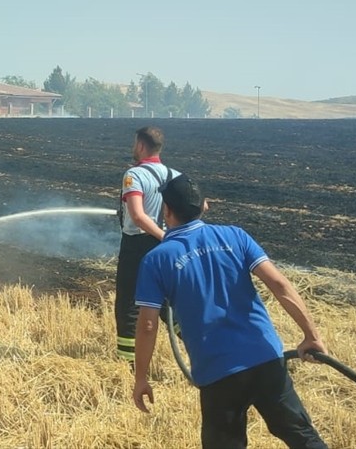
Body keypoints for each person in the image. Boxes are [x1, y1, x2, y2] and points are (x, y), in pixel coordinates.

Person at [131, 174, 329, 449]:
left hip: (218, 372)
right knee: (303, 438)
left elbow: (147, 325)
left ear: (166, 211)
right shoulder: (236, 236)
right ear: (205, 205)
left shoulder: (156, 260)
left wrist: (141, 377)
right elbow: (280, 285)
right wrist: (311, 335)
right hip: (266, 357)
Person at [115, 125, 179, 362]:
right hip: (167, 247)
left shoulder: (134, 176)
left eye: (135, 143)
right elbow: (200, 206)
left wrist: (162, 236)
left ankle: (128, 362)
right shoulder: (175, 176)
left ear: (141, 145)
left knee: (129, 305)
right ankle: (200, 345)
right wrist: (171, 237)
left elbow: (138, 216)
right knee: (167, 304)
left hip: (138, 246)